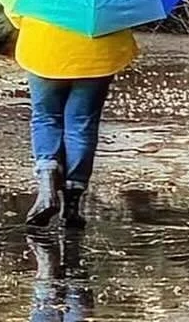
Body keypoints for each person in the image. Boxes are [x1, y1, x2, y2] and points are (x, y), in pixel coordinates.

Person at [13, 14, 137, 230]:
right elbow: (126, 14)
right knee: (81, 124)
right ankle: (72, 203)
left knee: (46, 117)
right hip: (97, 54)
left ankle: (47, 181)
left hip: (44, 47)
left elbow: (15, 13)